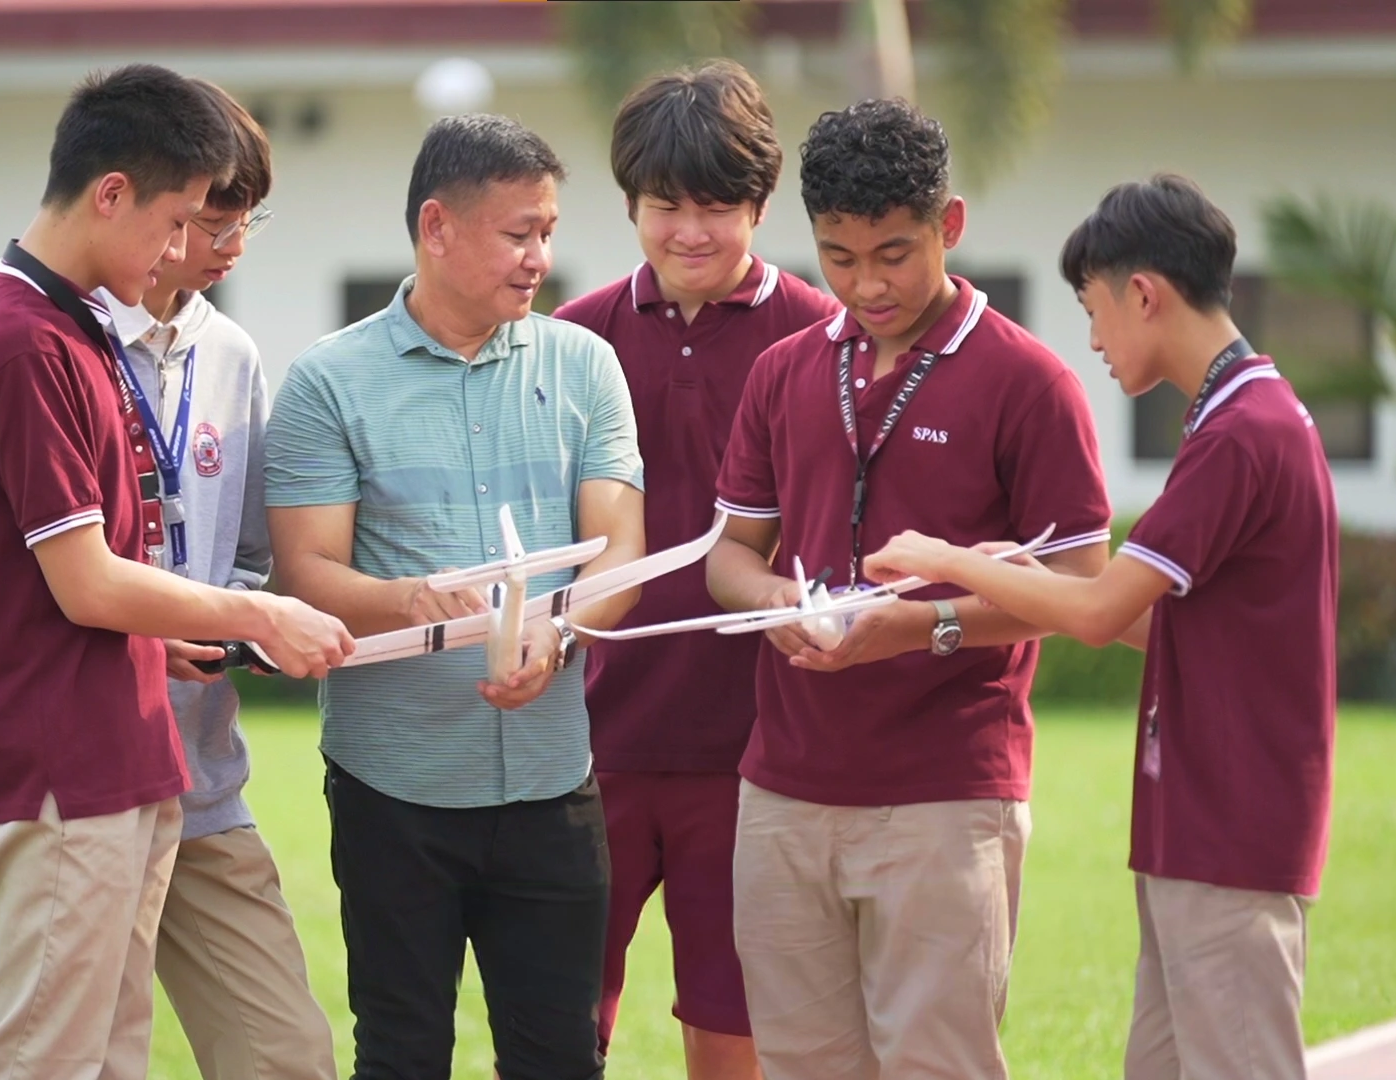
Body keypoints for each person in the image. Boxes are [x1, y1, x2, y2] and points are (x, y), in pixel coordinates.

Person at [867, 173, 1339, 1080]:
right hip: (1200, 824)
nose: (1091, 340)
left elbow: (1093, 612)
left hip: (1232, 830)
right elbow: (1151, 621)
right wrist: (1010, 566)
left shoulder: (1244, 432)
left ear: (1145, 294)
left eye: (1093, 310)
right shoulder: (1239, 418)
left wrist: (949, 557)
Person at [0, 64, 352, 1080]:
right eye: (179, 223)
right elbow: (81, 580)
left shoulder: (74, 331)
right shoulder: (26, 338)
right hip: (66, 763)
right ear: (111, 192)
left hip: (136, 762)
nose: (186, 252)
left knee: (107, 1061)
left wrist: (181, 626)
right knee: (35, 1063)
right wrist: (256, 613)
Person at [706, 98, 1113, 1080]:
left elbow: (1081, 587)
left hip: (946, 794)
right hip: (784, 792)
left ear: (950, 226)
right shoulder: (785, 370)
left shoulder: (1030, 382)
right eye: (839, 257)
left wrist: (916, 629)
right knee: (802, 1065)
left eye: (893, 253)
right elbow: (727, 555)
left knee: (937, 1063)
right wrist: (776, 606)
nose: (866, 284)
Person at [262, 113, 646, 1080]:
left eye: (548, 233)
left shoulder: (584, 364)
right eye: (520, 233)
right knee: (400, 1054)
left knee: (561, 1056)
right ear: (437, 228)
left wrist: (557, 636)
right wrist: (423, 604)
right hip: (393, 789)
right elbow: (306, 574)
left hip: (554, 781)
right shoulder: (328, 382)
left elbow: (621, 544)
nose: (540, 259)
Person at [551, 59, 837, 1080]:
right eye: (664, 204)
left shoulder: (821, 340)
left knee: (731, 1031)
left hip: (757, 756)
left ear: (761, 206)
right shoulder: (568, 345)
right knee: (556, 1025)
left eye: (718, 206)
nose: (689, 231)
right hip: (586, 745)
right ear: (630, 201)